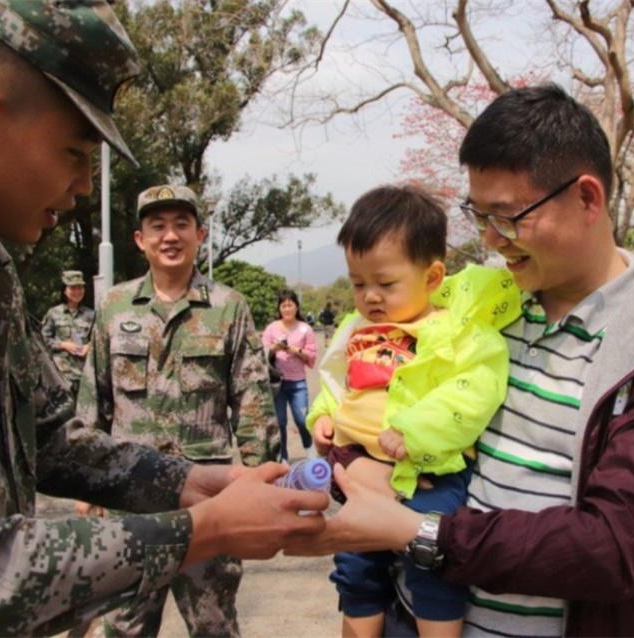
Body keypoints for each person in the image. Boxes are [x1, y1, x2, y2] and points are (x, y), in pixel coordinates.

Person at [0, 3, 326, 636]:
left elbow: (52, 438)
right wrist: (202, 530)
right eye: (74, 153)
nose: (83, 186)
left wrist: (187, 483)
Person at [288, 84, 634, 637]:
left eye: (508, 217)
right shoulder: (472, 308)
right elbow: (378, 406)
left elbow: (616, 548)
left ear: (587, 199)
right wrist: (353, 462)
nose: (492, 241)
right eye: (479, 218)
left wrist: (422, 532)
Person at [309, 185, 521, 637]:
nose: (370, 297)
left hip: (430, 473)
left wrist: (416, 432)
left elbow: (473, 391)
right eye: (358, 283)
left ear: (432, 277)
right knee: (355, 564)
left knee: (434, 566)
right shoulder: (357, 329)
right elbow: (336, 382)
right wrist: (323, 417)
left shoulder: (457, 332)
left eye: (386, 284)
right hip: (358, 470)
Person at [75, 184, 279, 637]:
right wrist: (84, 481)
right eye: (158, 226)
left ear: (200, 234)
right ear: (140, 239)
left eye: (181, 224)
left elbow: (252, 401)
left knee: (213, 622)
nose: (170, 236)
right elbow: (95, 395)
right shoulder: (113, 307)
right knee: (124, 624)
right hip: (129, 494)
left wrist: (265, 478)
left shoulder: (229, 307)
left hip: (207, 496)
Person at [262, 289, 318, 460]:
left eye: (290, 305)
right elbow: (261, 352)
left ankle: (310, 453)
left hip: (298, 384)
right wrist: (273, 348)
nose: (287, 309)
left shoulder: (305, 329)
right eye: (283, 305)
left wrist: (298, 350)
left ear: (297, 307)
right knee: (280, 423)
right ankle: (283, 459)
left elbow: (312, 355)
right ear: (279, 308)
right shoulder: (271, 328)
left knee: (302, 420)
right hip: (276, 383)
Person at [41, 269, 95, 397]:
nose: (77, 292)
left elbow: (100, 339)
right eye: (73, 288)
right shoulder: (54, 313)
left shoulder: (91, 314)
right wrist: (63, 345)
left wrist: (89, 346)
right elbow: (42, 340)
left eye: (80, 288)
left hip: (85, 375)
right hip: (61, 375)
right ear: (65, 290)